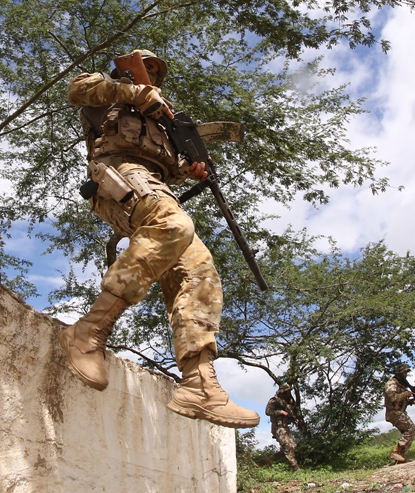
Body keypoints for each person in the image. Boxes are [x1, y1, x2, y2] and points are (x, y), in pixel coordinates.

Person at [59, 49, 259, 428]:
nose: (150, 73)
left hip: (154, 186)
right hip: (117, 175)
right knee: (175, 225)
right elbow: (77, 90)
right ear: (126, 66)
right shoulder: (113, 92)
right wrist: (135, 93)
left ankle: (199, 385)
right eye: (144, 66)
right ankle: (89, 332)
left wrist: (191, 168)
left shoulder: (163, 122)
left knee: (199, 268)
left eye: (154, 71)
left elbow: (171, 168)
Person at [385, 363, 415, 463]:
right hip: (393, 412)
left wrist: (412, 401)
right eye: (404, 372)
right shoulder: (391, 384)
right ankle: (396, 452)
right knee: (410, 427)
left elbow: (402, 401)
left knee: (407, 432)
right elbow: (393, 398)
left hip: (398, 412)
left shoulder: (401, 385)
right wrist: (406, 394)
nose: (405, 374)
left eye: (406, 372)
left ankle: (399, 456)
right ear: (399, 373)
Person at [265, 383, 300, 471]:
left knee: (292, 446)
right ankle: (295, 468)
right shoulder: (274, 400)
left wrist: (294, 420)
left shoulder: (285, 402)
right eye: (287, 391)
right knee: (287, 446)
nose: (288, 393)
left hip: (285, 427)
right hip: (278, 427)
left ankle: (269, 460)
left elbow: (289, 414)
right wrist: (280, 412)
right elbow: (267, 411)